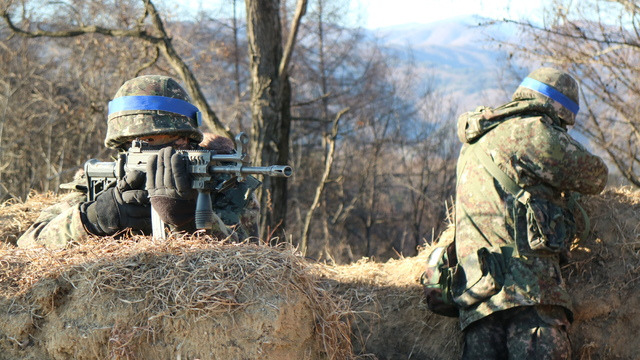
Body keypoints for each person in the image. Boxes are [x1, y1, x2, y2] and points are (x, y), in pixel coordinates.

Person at [453, 67, 608, 359]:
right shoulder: (531, 130)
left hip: (478, 298)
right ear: (558, 110)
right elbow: (595, 176)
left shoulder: (474, 141)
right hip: (528, 293)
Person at [17, 75, 259, 249]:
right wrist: (93, 219)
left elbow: (249, 259)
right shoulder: (103, 183)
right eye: (145, 142)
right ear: (125, 146)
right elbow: (29, 243)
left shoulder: (224, 184)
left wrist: (190, 222)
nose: (166, 154)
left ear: (188, 138)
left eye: (176, 141)